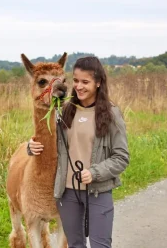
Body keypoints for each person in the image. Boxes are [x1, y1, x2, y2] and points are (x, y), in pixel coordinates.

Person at [28, 56, 129, 248]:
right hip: (68, 192)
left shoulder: (111, 113)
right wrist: (29, 146)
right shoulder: (65, 111)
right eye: (75, 81)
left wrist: (94, 172)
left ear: (98, 83)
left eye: (85, 82)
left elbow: (121, 157)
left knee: (101, 245)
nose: (79, 86)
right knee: (75, 245)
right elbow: (49, 141)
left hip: (97, 191)